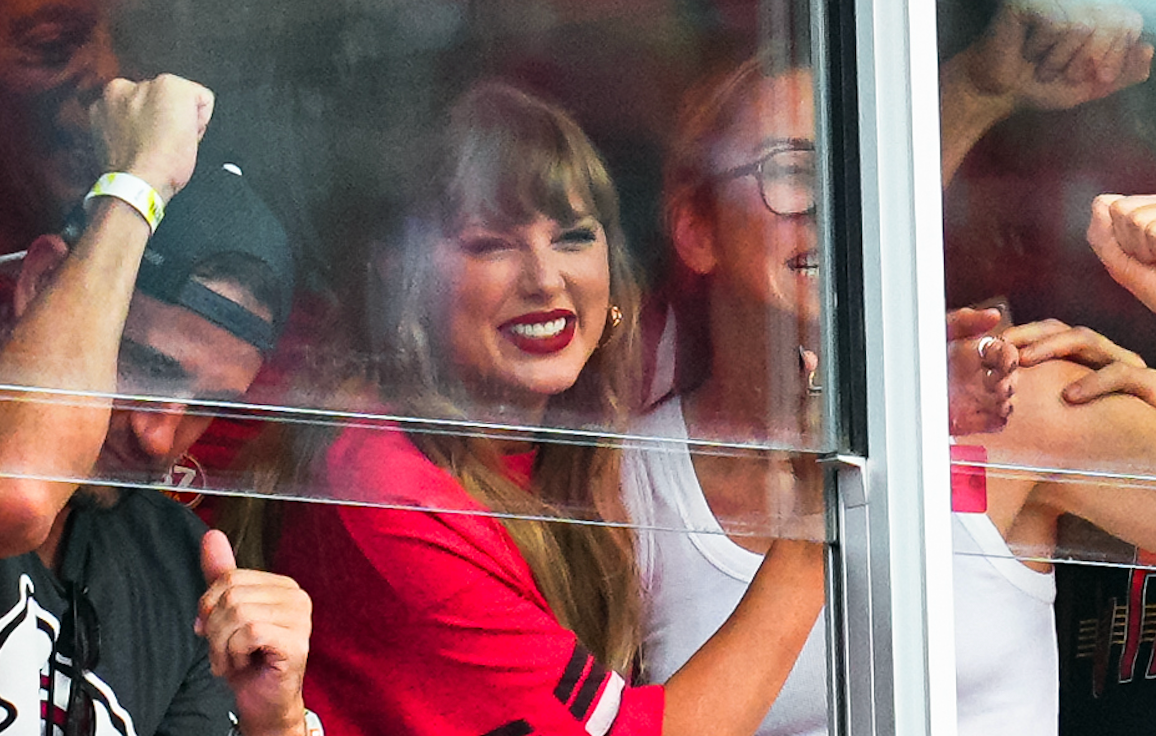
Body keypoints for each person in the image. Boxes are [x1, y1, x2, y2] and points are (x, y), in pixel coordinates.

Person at [624, 15, 1156, 736]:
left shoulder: (1016, 403)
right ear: (695, 228)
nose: (839, 205)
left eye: (864, 174)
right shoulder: (624, 481)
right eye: (791, 169)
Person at [272, 81, 824, 736]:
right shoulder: (386, 491)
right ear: (406, 278)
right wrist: (814, 533)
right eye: (491, 244)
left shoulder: (562, 450)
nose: (544, 278)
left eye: (572, 237)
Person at [0, 74, 314, 736]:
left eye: (208, 404)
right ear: (39, 284)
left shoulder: (182, 566)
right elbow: (20, 493)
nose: (158, 434)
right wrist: (142, 177)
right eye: (143, 367)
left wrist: (276, 723)